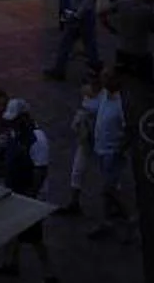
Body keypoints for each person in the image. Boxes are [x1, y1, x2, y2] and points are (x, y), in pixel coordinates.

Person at [0, 99, 60, 283]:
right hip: (14, 188)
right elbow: (0, 158)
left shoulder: (37, 139)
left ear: (24, 117)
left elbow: (40, 170)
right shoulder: (14, 133)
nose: (11, 123)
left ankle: (49, 272)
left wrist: (30, 195)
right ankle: (12, 263)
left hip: (30, 192)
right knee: (12, 229)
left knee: (34, 235)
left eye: (15, 119)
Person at [47, 0, 100, 81]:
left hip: (82, 16)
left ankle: (93, 66)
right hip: (75, 13)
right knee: (78, 43)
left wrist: (76, 16)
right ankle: (62, 69)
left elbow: (87, 1)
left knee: (83, 43)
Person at [89, 68, 129, 238]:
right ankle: (109, 220)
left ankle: (128, 218)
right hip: (101, 148)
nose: (102, 79)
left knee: (109, 189)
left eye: (106, 77)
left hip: (112, 151)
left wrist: (120, 149)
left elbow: (129, 130)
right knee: (108, 189)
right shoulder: (105, 94)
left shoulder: (122, 104)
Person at [57, 69, 102, 216]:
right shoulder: (88, 92)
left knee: (107, 171)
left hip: (101, 138)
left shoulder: (105, 97)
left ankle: (116, 205)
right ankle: (74, 202)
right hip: (86, 137)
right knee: (77, 169)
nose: (92, 83)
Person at [101, 0, 154, 80]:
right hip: (139, 50)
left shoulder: (123, 3)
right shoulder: (146, 10)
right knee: (147, 78)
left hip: (122, 47)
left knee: (121, 76)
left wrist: (110, 27)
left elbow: (102, 12)